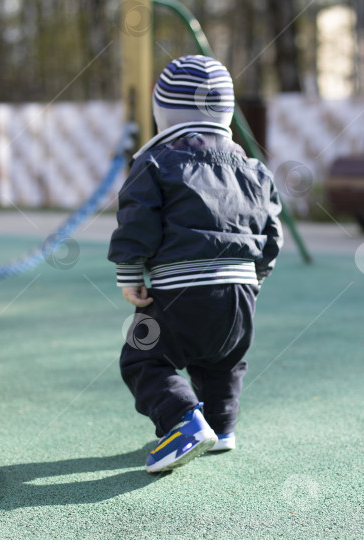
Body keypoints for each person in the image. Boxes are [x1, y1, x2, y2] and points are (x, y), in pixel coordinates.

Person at [108, 55, 282, 473]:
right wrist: (258, 273)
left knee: (143, 358)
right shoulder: (255, 169)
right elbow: (270, 228)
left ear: (162, 115)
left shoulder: (154, 162)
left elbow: (139, 218)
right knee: (223, 361)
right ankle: (221, 427)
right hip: (240, 296)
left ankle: (183, 421)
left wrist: (130, 271)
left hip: (180, 291)